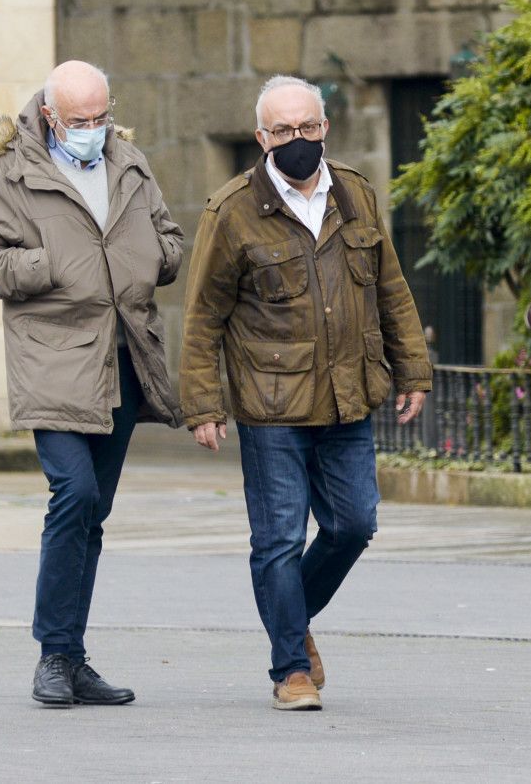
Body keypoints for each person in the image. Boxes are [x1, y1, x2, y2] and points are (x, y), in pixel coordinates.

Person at [179, 75, 432, 711]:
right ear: (263, 138)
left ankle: (291, 617)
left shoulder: (354, 192)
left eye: (309, 127)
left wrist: (414, 369)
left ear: (325, 127)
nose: (300, 140)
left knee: (354, 524)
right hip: (270, 405)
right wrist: (202, 404)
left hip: (348, 393)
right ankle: (290, 666)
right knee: (279, 539)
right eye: (285, 131)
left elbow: (390, 288)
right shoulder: (231, 210)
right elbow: (203, 315)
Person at [0, 60, 184, 707]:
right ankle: (53, 657)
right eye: (79, 120)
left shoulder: (130, 163)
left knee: (93, 514)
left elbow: (167, 241)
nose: (92, 130)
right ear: (50, 115)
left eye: (100, 117)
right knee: (74, 493)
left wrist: (153, 258)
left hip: (122, 363)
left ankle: (73, 657)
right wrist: (54, 263)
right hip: (53, 361)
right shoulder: (8, 175)